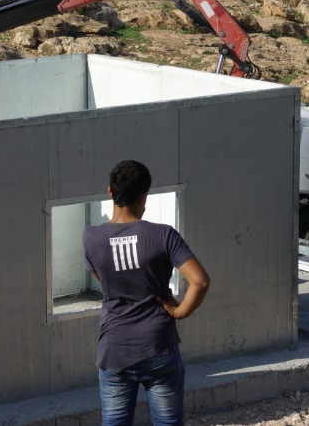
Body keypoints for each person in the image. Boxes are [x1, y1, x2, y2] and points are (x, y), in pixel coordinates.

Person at [82, 160, 210, 426]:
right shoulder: (163, 235)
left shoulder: (90, 237)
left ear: (110, 192)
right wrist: (179, 311)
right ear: (143, 196)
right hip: (158, 346)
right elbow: (200, 282)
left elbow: (102, 278)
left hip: (114, 349)